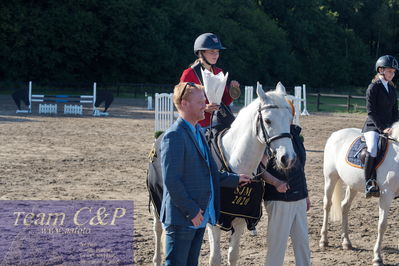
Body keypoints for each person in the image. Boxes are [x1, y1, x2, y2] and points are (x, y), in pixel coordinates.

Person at [160, 82, 251, 266]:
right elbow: (171, 180)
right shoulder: (174, 136)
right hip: (183, 218)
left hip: (199, 217)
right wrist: (192, 211)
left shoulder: (199, 132)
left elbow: (209, 172)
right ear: (184, 104)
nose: (205, 105)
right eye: (200, 101)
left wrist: (235, 179)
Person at [261, 124, 311, 266]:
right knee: (277, 247)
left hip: (299, 197)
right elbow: (259, 168)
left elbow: (301, 167)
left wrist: (305, 194)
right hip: (279, 199)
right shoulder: (270, 136)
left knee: (303, 246)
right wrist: (276, 182)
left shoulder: (294, 134)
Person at [180, 32, 241, 128]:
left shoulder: (219, 72)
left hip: (219, 123)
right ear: (201, 53)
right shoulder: (189, 74)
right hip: (198, 125)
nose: (216, 55)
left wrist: (232, 90)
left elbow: (224, 101)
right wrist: (204, 107)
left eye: (217, 52)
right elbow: (183, 102)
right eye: (212, 51)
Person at [362, 55, 399, 198]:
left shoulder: (391, 89)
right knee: (372, 148)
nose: (392, 74)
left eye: (394, 72)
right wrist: (382, 128)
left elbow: (395, 111)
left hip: (390, 127)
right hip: (373, 127)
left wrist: (396, 126)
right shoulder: (373, 88)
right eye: (390, 71)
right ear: (380, 70)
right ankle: (369, 181)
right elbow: (371, 112)